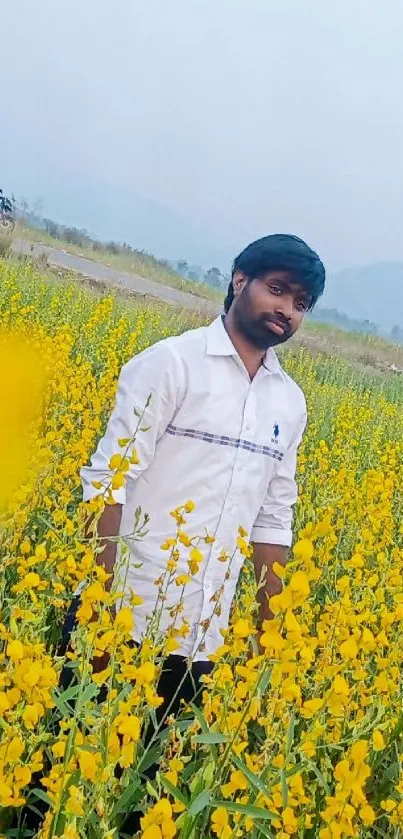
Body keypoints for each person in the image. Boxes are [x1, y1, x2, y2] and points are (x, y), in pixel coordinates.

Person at [79, 233, 326, 719]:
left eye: (301, 303)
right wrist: (98, 607)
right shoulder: (171, 365)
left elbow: (273, 520)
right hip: (124, 617)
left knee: (159, 784)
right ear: (239, 281)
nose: (288, 310)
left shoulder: (289, 402)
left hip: (203, 640)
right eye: (277, 289)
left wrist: (265, 638)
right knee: (74, 771)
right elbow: (108, 482)